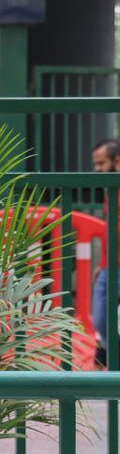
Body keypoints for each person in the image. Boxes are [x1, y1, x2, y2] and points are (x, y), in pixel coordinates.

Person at [90, 138, 120, 368]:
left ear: (117, 161)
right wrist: (101, 263)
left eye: (101, 163)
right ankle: (109, 354)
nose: (97, 169)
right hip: (110, 266)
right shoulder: (110, 190)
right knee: (100, 319)